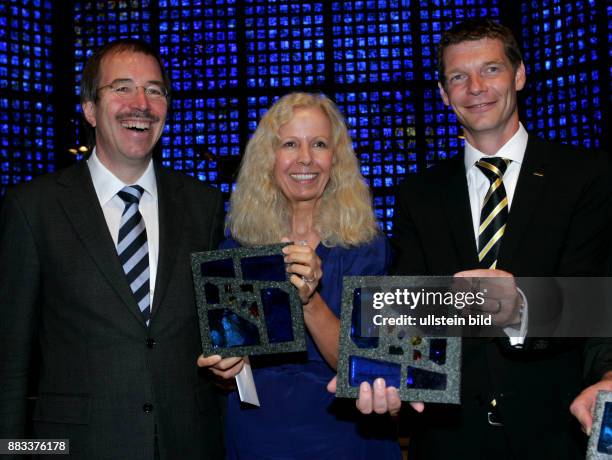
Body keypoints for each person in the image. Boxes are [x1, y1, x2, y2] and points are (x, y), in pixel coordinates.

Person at [343, 18, 612, 459]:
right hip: (450, 439)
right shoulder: (418, 193)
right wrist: (377, 369)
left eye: (490, 70)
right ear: (444, 94)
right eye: (458, 77)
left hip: (555, 431)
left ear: (519, 75)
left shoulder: (587, 176)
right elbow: (408, 308)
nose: (475, 88)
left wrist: (519, 307)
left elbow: (597, 297)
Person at [0, 39, 224, 459]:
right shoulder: (33, 208)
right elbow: (9, 361)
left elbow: (220, 332)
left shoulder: (204, 205)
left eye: (154, 90)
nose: (141, 103)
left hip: (190, 444)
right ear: (89, 109)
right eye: (122, 87)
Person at [198, 92, 401, 459]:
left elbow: (367, 366)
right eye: (290, 144)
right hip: (258, 436)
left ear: (335, 160)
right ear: (269, 160)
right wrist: (222, 370)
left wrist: (308, 300)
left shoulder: (367, 250)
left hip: (347, 436)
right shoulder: (235, 250)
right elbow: (230, 370)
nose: (305, 158)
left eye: (319, 144)